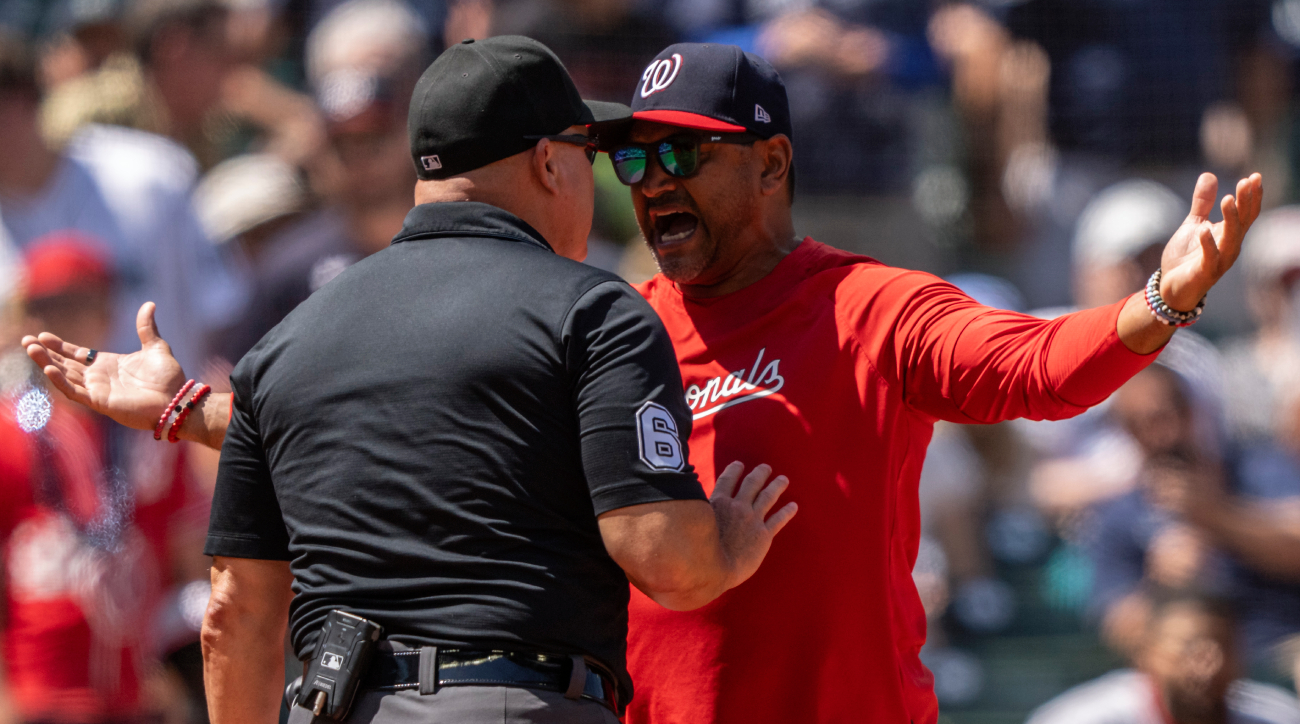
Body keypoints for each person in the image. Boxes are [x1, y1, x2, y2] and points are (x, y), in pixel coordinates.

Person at [25, 36, 797, 723]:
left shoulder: (291, 339)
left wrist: (192, 411)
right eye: (589, 156)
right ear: (547, 161)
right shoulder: (594, 311)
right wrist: (728, 541)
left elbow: (236, 614)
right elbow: (665, 556)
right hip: (509, 703)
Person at [592, 42, 1260, 724]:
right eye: (633, 159)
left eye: (682, 154)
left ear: (771, 162)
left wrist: (1159, 302)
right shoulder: (619, 334)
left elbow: (1038, 368)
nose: (654, 183)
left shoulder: (870, 308)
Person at [0, 232, 201, 724]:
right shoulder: (9, 427)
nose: (64, 322)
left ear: (108, 309)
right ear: (25, 318)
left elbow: (188, 559)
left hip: (139, 696)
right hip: (38, 697)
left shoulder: (145, 427)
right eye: (48, 306)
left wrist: (183, 675)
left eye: (84, 302)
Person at [1025, 591, 1300, 724]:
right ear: (1146, 654)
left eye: (1221, 645)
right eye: (1188, 648)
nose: (1208, 665)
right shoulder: (1084, 719)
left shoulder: (1276, 717)